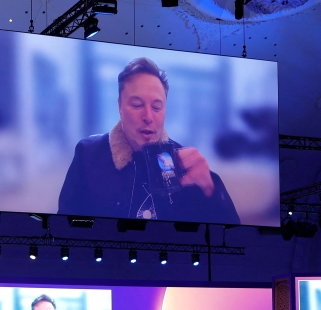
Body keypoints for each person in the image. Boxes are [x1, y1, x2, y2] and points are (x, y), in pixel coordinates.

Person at [57, 57, 240, 225]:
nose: (148, 116)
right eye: (137, 105)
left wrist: (210, 189)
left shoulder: (183, 162)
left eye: (157, 107)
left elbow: (230, 236)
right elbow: (65, 224)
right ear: (120, 105)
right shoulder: (88, 154)